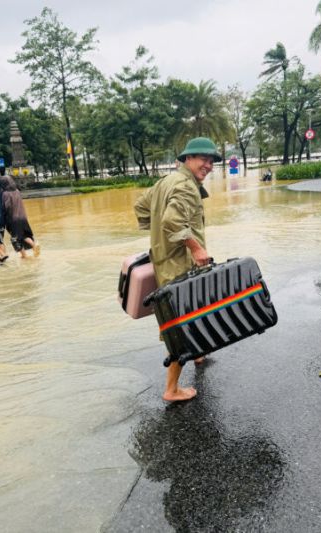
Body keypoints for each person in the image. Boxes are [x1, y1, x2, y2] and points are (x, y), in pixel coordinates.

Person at [134, 137, 219, 402]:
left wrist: (157, 233)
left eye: (212, 160)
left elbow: (140, 207)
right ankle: (171, 389)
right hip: (179, 264)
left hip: (164, 260)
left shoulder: (165, 182)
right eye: (203, 159)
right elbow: (172, 221)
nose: (208, 165)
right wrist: (195, 247)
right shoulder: (186, 187)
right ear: (187, 159)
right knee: (179, 324)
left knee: (190, 311)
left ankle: (198, 352)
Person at [0, 175, 40, 258]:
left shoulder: (5, 194)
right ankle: (31, 248)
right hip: (23, 217)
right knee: (24, 235)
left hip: (13, 219)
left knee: (15, 238)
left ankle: (27, 253)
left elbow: (6, 207)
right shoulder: (17, 191)